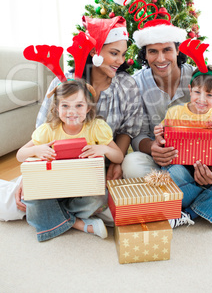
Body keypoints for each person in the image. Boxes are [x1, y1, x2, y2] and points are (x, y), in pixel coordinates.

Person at [122, 9, 212, 226]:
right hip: (168, 161)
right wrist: (153, 147)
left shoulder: (202, 77)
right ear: (144, 53)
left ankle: (198, 195)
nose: (160, 58)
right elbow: (137, 133)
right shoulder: (136, 84)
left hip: (207, 157)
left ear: (177, 49)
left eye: (167, 50)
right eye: (153, 51)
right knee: (132, 165)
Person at [13, 16, 143, 227]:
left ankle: (58, 213)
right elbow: (42, 134)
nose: (121, 60)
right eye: (114, 53)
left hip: (97, 167)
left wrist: (117, 162)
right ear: (95, 52)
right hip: (57, 168)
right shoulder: (62, 83)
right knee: (22, 201)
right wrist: (29, 177)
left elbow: (128, 130)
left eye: (123, 54)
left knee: (110, 207)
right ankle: (75, 220)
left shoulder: (127, 85)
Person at [17, 78, 123, 241]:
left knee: (100, 198)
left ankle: (56, 216)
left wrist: (105, 149)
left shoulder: (96, 128)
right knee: (30, 196)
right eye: (65, 106)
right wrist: (37, 149)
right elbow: (20, 154)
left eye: (79, 105)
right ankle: (79, 224)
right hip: (54, 188)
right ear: (57, 108)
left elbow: (119, 156)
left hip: (83, 190)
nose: (72, 111)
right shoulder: (49, 130)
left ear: (88, 108)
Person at [154, 62, 212, 227]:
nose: (201, 99)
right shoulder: (175, 112)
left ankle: (187, 213)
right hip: (182, 167)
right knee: (172, 174)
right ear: (190, 89)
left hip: (209, 166)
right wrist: (159, 135)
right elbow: (163, 134)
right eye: (197, 92)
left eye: (209, 95)